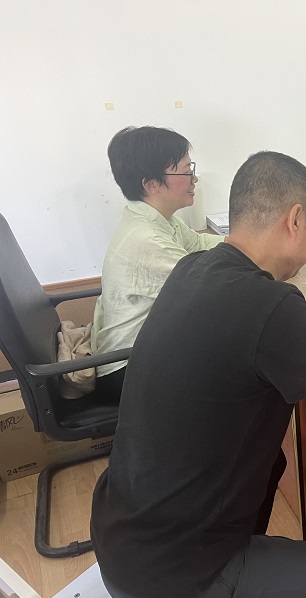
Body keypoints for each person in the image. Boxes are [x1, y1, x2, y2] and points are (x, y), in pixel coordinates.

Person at [90, 150, 306, 598]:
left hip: (123, 536)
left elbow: (265, 331)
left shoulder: (194, 269)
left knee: (275, 463)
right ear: (295, 219)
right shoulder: (272, 305)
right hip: (175, 573)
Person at [92, 126, 224, 400]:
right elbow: (209, 291)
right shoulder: (147, 239)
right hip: (127, 369)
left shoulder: (155, 218)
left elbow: (200, 245)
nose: (194, 179)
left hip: (148, 350)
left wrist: (248, 241)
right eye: (186, 171)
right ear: (151, 184)